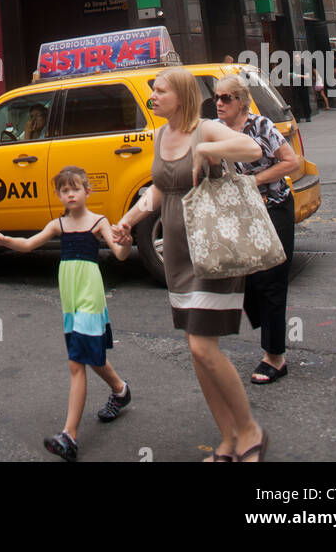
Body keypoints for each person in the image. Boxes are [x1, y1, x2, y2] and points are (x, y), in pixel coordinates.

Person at [113, 67, 268, 462]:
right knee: (196, 349)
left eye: (160, 90)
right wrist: (128, 221)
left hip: (212, 248)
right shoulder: (160, 135)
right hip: (178, 253)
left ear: (180, 96)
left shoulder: (207, 129)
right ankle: (227, 439)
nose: (153, 96)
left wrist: (206, 150)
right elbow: (160, 188)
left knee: (202, 345)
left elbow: (253, 151)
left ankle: (250, 430)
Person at [0, 165, 131, 461]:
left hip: (90, 299)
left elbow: (120, 254)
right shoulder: (58, 226)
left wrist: (126, 243)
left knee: (77, 363)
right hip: (71, 301)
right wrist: (3, 239)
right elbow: (28, 245)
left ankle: (69, 436)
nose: (70, 194)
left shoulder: (99, 222)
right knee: (90, 355)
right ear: (59, 195)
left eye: (75, 188)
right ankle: (120, 390)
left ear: (87, 191)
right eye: (64, 190)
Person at [213, 77, 298, 385]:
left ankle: (275, 357)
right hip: (240, 215)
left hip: (274, 207)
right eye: (217, 98)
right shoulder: (215, 129)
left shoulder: (261, 126)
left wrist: (255, 181)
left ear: (242, 102)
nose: (219, 103)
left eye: (226, 98)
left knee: (272, 280)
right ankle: (269, 327)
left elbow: (291, 162)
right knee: (248, 280)